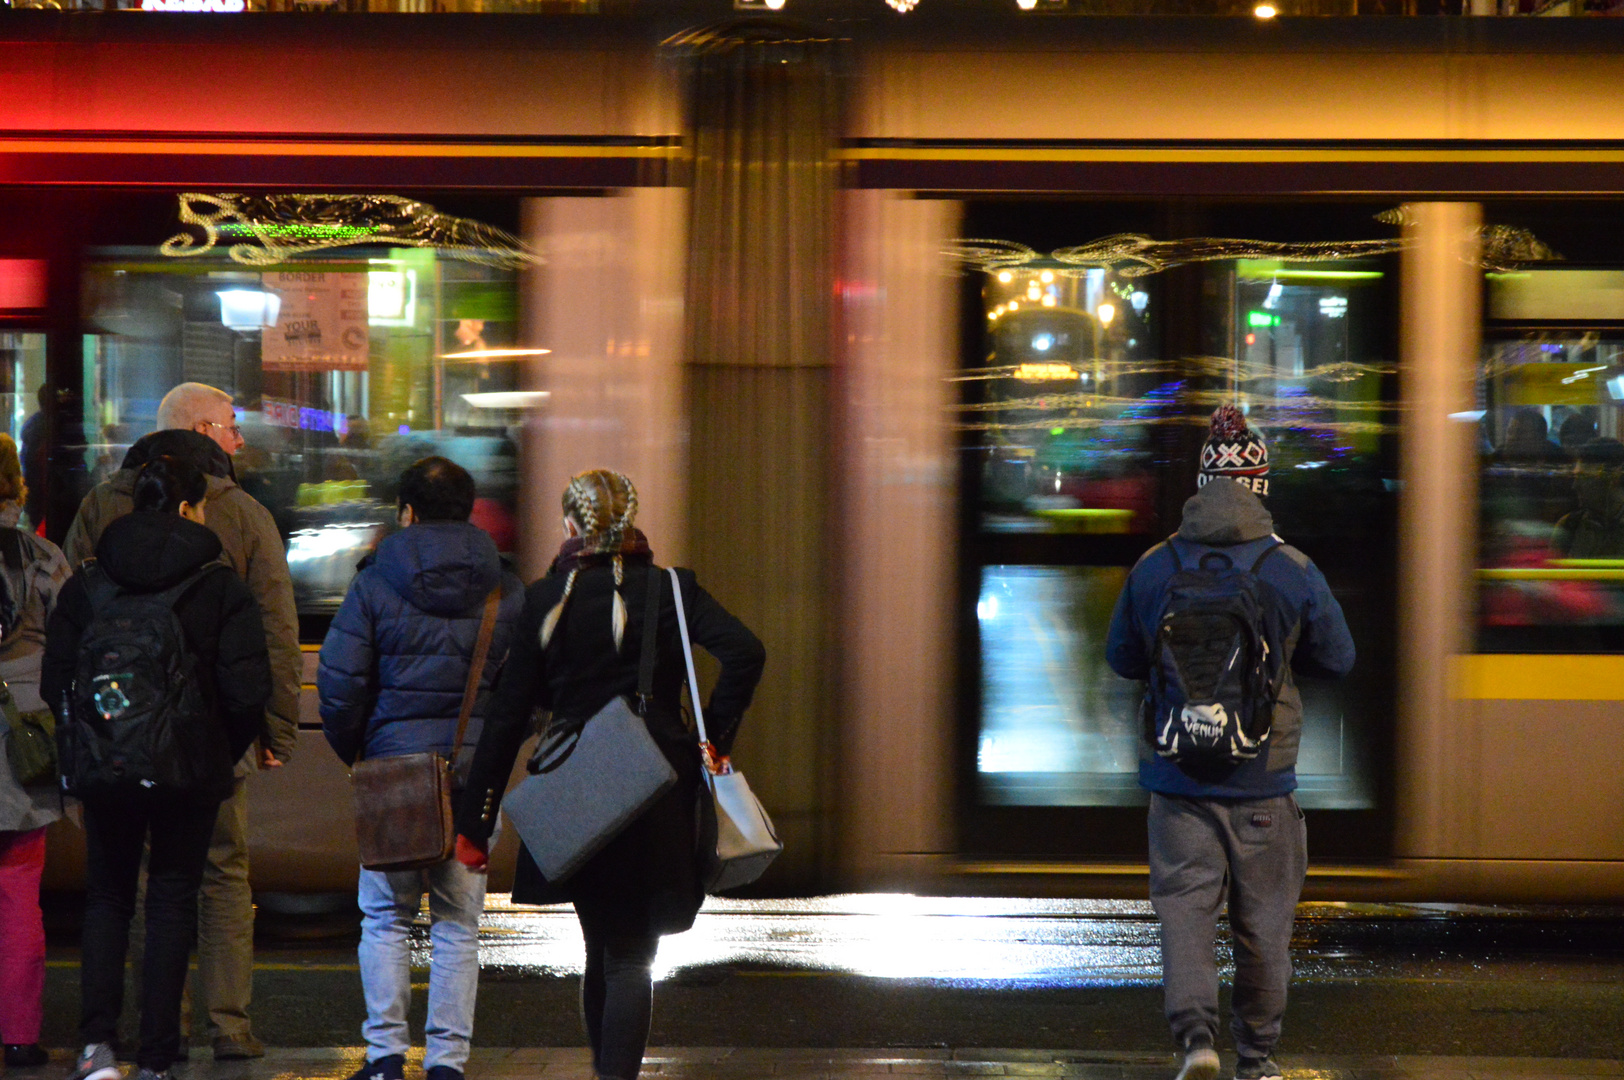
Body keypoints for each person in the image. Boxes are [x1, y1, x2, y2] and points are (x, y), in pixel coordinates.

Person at [455, 469, 765, 1080]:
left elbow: (507, 713)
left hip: (577, 788)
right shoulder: (674, 590)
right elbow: (745, 652)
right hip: (659, 787)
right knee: (629, 953)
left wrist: (478, 818)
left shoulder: (546, 598)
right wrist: (713, 740)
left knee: (603, 942)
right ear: (633, 520)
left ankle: (607, 1070)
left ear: (570, 525)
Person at [1106, 406, 1355, 1080]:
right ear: (1261, 486)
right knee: (1264, 927)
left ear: (1201, 484)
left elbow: (1121, 658)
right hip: (1264, 782)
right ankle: (1258, 1057)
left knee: (1185, 912)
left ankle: (1196, 1044)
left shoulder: (1155, 566)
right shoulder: (1291, 569)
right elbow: (1340, 658)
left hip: (1176, 781)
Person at [62, 382, 298, 1060]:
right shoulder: (244, 513)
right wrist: (275, 728)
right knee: (221, 873)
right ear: (202, 428)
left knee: (130, 880)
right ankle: (228, 1026)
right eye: (232, 426)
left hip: (116, 733)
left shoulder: (101, 504)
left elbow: (69, 620)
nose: (241, 440)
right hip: (210, 735)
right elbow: (276, 632)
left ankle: (152, 1025)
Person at [317, 456, 524, 1080]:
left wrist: (362, 752)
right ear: (469, 511)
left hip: (395, 775)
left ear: (405, 512)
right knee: (459, 923)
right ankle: (446, 1064)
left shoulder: (375, 580)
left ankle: (383, 1058)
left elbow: (339, 682)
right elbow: (523, 691)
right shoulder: (505, 588)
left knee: (385, 916)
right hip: (471, 780)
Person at [0, 434, 71, 1068]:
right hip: (27, 745)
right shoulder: (44, 558)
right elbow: (74, 646)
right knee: (20, 890)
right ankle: (20, 1031)